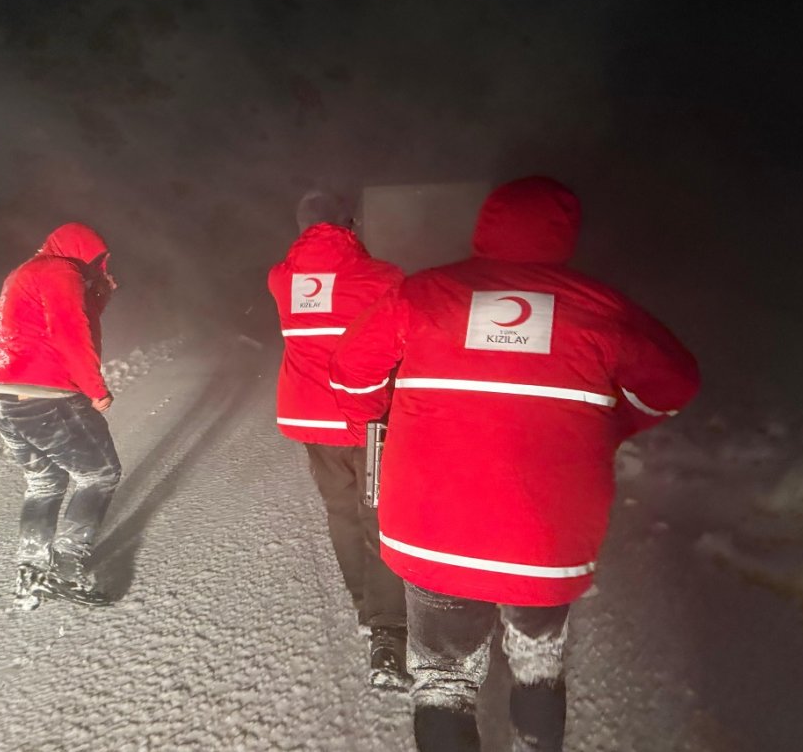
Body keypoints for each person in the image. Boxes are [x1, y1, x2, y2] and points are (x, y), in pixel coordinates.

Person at [329, 177, 700, 750]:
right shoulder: (602, 308)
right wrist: (606, 426)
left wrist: (376, 422)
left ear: (486, 225)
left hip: (433, 529)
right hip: (546, 539)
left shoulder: (425, 293)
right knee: (536, 664)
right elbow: (676, 382)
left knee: (443, 680)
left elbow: (351, 370)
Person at [267, 190, 411, 689]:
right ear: (351, 225)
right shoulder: (384, 278)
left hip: (312, 421)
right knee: (381, 518)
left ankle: (364, 606)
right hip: (368, 420)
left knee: (342, 513)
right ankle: (388, 632)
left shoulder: (282, 279)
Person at [0, 222, 122, 609]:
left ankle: (32, 571)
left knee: (44, 482)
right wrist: (95, 388)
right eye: (97, 262)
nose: (98, 268)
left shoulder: (25, 272)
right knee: (100, 474)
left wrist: (97, 297)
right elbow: (71, 332)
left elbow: (58, 319)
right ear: (82, 253)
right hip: (44, 396)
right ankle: (65, 567)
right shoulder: (63, 272)